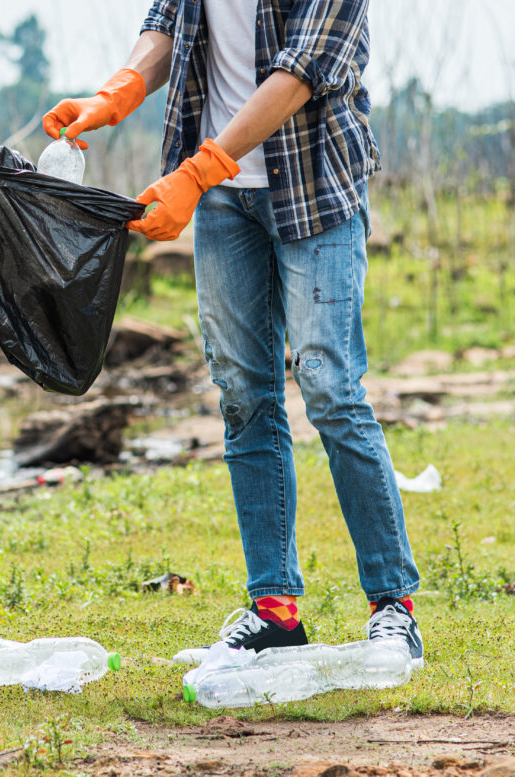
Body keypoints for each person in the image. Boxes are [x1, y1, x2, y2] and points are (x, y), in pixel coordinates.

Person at [43, 0, 423, 665]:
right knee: (244, 394)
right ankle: (275, 610)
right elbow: (169, 24)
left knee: (329, 384)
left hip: (314, 188)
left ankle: (392, 603)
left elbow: (301, 69)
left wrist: (196, 170)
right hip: (222, 200)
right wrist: (115, 93)